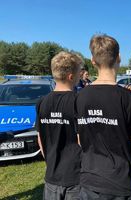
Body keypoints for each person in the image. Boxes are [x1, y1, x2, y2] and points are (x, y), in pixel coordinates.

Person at [75, 34, 131, 200]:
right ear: (119, 58)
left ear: (93, 61)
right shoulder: (128, 98)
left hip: (89, 180)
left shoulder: (80, 97)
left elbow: (80, 140)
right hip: (121, 182)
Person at [36, 51, 83, 200]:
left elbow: (40, 138)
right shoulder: (78, 101)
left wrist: (51, 162)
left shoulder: (42, 102)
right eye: (79, 73)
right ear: (71, 76)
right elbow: (82, 140)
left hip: (51, 177)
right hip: (76, 178)